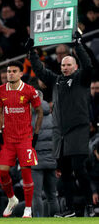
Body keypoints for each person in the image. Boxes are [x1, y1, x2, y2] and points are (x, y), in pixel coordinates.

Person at [28, 32, 96, 217]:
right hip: (60, 133)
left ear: (75, 66)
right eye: (63, 65)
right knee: (65, 173)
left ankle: (90, 206)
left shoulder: (82, 79)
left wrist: (77, 45)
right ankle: (71, 209)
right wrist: (31, 52)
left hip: (78, 130)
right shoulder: (56, 81)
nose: (65, 67)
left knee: (79, 169)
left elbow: (88, 64)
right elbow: (40, 71)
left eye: (68, 65)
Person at [0, 60, 43, 218]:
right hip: (8, 139)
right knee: (2, 173)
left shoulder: (29, 90)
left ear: (21, 73)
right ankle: (12, 199)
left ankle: (28, 208)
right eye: (9, 71)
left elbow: (40, 112)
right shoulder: (0, 91)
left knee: (26, 173)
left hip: (24, 139)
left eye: (14, 71)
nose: (11, 74)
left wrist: (35, 134)